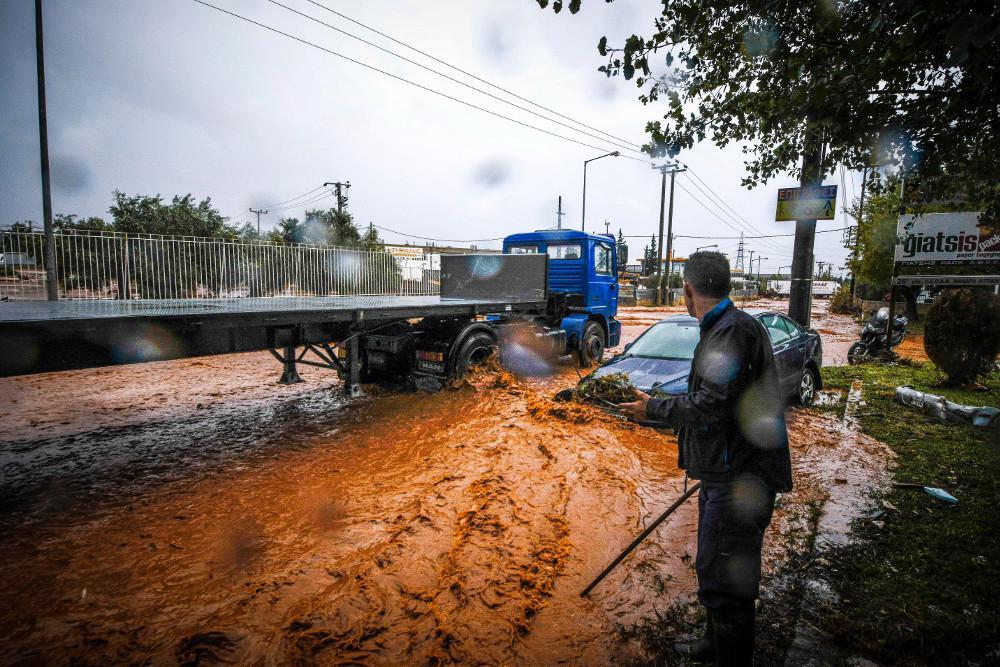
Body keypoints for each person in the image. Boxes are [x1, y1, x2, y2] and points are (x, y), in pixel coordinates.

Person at [619, 251, 792, 666]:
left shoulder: (730, 332)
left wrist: (653, 408)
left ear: (687, 289)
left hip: (741, 478)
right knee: (714, 564)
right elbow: (717, 403)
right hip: (726, 472)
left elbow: (711, 405)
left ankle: (730, 657)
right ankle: (713, 644)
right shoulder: (726, 327)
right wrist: (662, 412)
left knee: (728, 577)